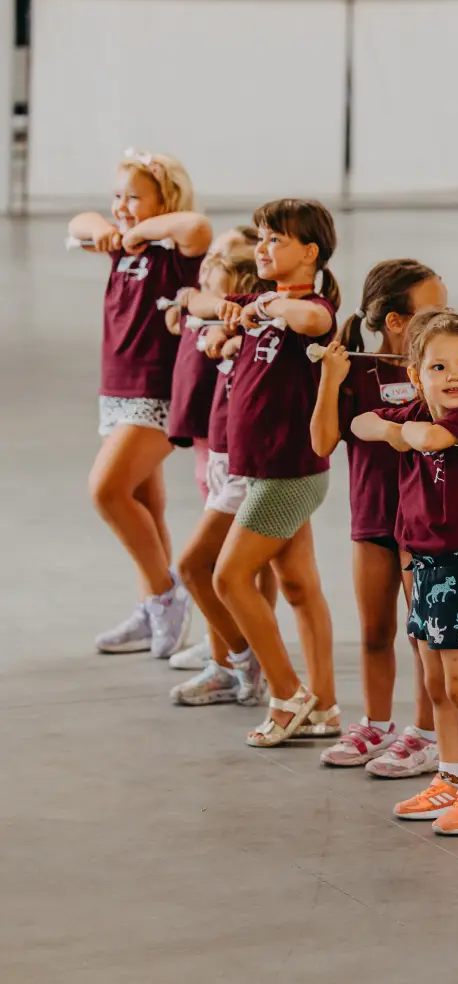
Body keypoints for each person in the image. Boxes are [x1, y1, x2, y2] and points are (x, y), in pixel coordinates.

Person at [184, 199, 341, 747]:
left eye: (276, 239)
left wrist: (265, 307)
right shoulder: (254, 302)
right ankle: (324, 707)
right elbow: (198, 301)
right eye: (261, 238)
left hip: (287, 475)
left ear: (310, 253)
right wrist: (224, 310)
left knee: (228, 578)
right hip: (264, 473)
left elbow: (313, 319)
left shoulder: (309, 308)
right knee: (298, 586)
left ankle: (287, 693)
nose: (263, 248)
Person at [352, 310, 458, 835]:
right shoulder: (417, 411)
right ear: (415, 374)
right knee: (436, 685)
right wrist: (396, 427)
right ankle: (451, 776)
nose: (455, 376)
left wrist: (402, 430)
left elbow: (430, 440)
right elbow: (360, 424)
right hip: (422, 567)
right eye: (439, 366)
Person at [69, 150, 211, 659]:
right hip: (119, 387)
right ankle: (148, 606)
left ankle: (164, 596)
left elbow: (196, 223)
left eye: (135, 197)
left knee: (106, 490)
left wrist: (137, 232)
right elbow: (79, 222)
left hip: (156, 389)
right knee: (145, 504)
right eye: (118, 196)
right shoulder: (118, 246)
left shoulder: (175, 253)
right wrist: (111, 228)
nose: (122, 207)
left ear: (162, 201)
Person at [311, 260, 448, 776]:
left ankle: (426, 733)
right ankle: (377, 724)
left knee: (422, 634)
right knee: (374, 631)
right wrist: (330, 380)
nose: (445, 317)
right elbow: (323, 441)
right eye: (433, 310)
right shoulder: (357, 372)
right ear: (395, 321)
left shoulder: (438, 370)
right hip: (371, 518)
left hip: (425, 523)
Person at [167, 246, 279, 707]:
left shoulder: (252, 337)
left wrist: (235, 338)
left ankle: (246, 657)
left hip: (243, 469)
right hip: (219, 461)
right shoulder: (214, 328)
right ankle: (226, 664)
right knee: (212, 568)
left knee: (196, 566)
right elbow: (187, 306)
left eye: (220, 296)